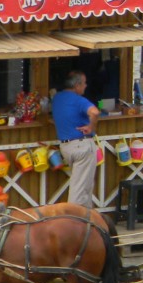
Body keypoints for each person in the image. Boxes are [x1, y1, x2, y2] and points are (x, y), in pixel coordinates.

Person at [52, 71, 100, 207]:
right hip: (82, 146)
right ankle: (73, 217)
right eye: (84, 83)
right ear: (77, 85)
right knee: (80, 191)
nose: (86, 86)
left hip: (66, 147)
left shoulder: (57, 98)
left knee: (84, 187)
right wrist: (91, 126)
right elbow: (95, 112)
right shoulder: (79, 100)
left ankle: (86, 218)